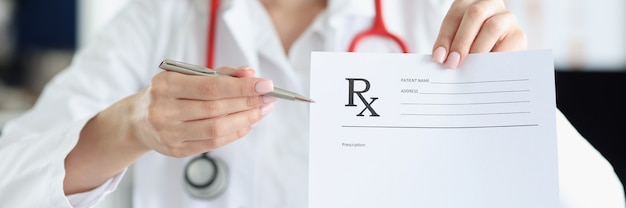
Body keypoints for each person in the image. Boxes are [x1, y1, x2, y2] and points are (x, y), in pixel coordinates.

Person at [0, 0, 624, 207]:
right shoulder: (159, 19)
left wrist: (509, 103)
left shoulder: (437, 18)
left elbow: (600, 199)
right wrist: (131, 126)